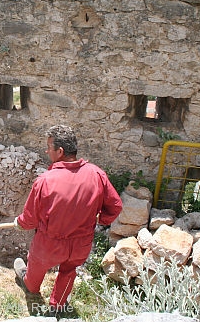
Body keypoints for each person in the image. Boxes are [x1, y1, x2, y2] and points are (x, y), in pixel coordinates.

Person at [13, 124, 123, 314]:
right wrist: (100, 220)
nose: (47, 151)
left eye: (49, 147)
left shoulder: (45, 181)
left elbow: (30, 219)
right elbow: (115, 206)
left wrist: (19, 223)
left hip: (50, 244)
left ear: (60, 151)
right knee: (68, 270)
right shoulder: (96, 174)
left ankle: (31, 287)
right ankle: (57, 305)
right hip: (81, 244)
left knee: (36, 265)